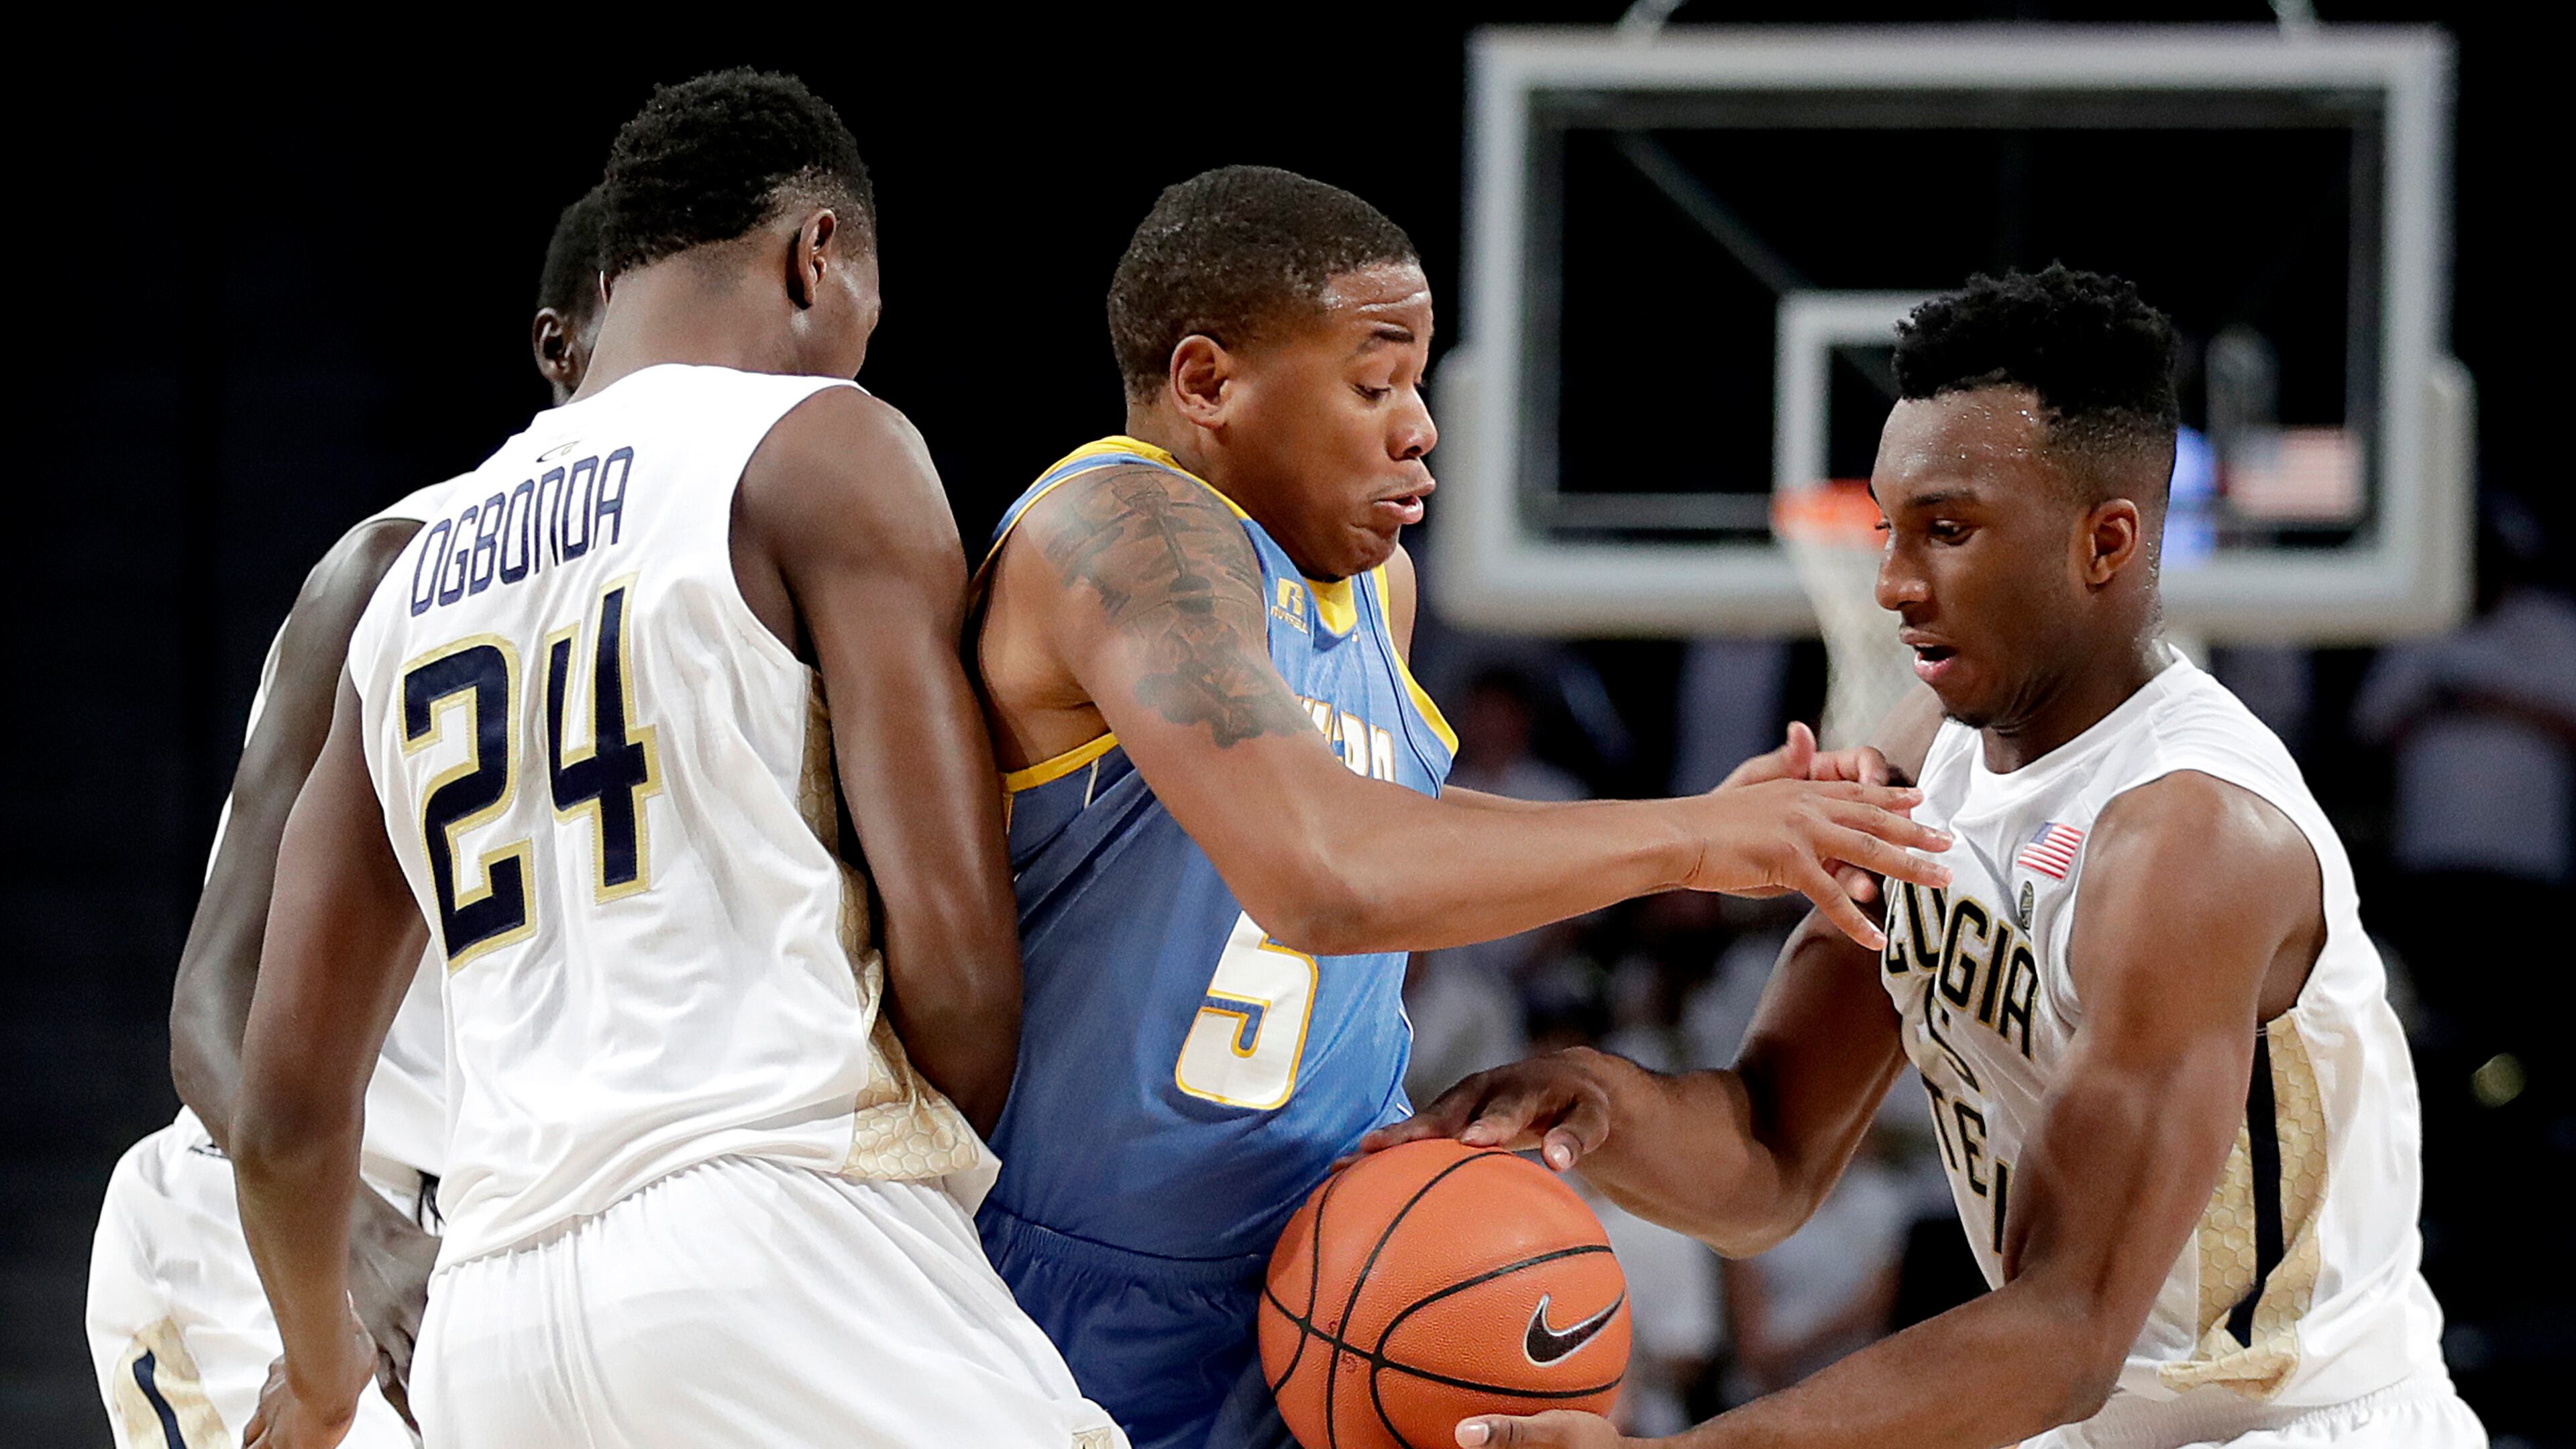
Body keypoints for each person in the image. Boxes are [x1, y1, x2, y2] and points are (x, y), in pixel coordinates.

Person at [1377, 266, 2486, 1449]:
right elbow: (1769, 1157)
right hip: (2090, 1412)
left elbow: (2067, 1329)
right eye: (1887, 533)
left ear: (2104, 541)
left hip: (2300, 1425)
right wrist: (1600, 1099)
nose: (1895, 586)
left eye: (1947, 532)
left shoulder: (2192, 838)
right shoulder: (1927, 752)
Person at [967, 164, 1951, 1449]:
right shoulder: (1124, 529)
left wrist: (1694, 820)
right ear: (1208, 385)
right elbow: (1321, 870)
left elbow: (1383, 829)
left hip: (1330, 1265)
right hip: (1072, 1284)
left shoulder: (1379, 595)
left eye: (1419, 384)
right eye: (1374, 385)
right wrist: (1695, 841)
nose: (1420, 426)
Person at [226, 70, 1118, 1449]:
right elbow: (957, 960)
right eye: (867, 313)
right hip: (780, 1224)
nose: (860, 356)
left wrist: (325, 1367)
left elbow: (285, 1110)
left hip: (491, 1326)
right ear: (816, 254)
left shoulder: (407, 581)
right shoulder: (822, 446)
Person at [83, 184, 609, 1449]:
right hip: (281, 1223)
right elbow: (214, 1003)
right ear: (563, 349)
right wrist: (354, 1248)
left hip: (505, 1241)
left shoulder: (719, 590)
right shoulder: (395, 567)